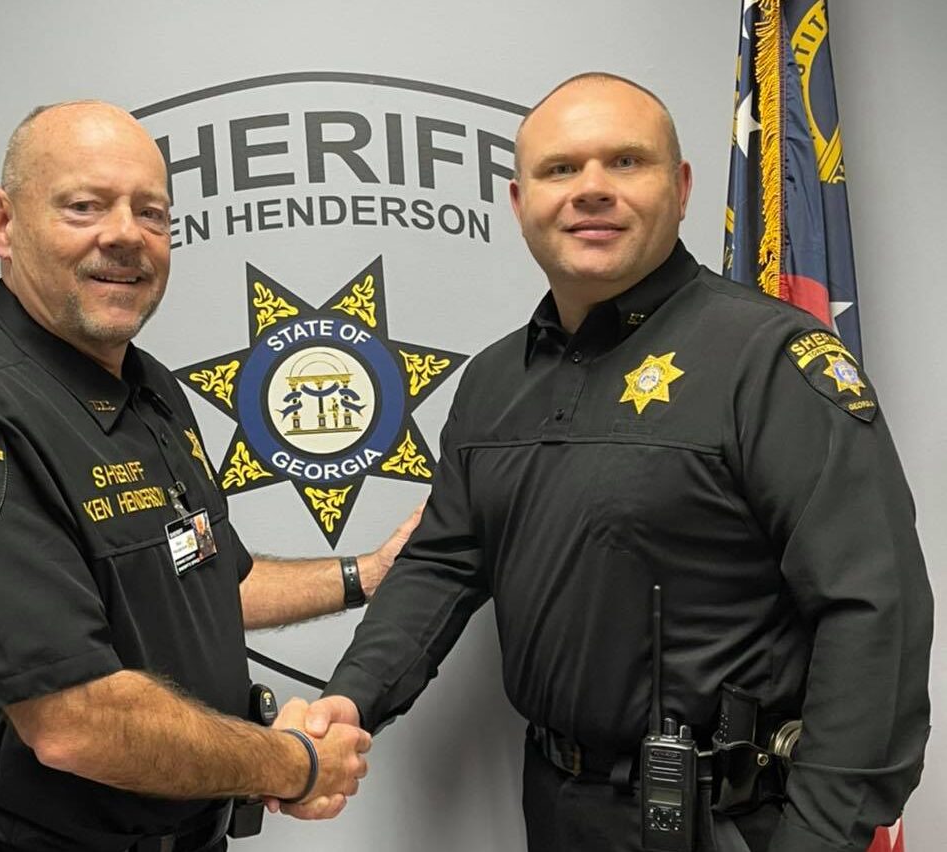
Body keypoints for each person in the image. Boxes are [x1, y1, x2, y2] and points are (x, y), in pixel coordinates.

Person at [278, 73, 934, 852]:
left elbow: (873, 612)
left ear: (682, 187)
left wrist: (821, 837)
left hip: (733, 821)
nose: (591, 190)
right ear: (522, 203)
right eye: (561, 170)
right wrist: (352, 700)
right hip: (559, 808)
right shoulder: (494, 382)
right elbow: (444, 562)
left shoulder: (770, 360)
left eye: (626, 162)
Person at [0, 100, 421, 852]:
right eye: (84, 206)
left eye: (150, 213)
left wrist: (368, 573)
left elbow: (206, 580)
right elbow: (73, 723)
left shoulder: (148, 389)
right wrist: (292, 764)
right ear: (2, 223)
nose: (125, 235)